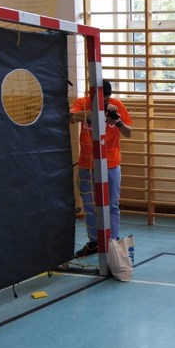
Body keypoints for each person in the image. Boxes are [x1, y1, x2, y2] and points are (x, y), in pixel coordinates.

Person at [70, 79, 132, 257]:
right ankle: (94, 242)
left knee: (112, 205)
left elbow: (128, 132)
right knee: (89, 205)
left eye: (107, 100)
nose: (106, 103)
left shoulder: (116, 105)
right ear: (92, 96)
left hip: (110, 164)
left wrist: (117, 121)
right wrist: (96, 111)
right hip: (87, 163)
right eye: (102, 101)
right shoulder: (82, 103)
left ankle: (113, 242)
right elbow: (71, 118)